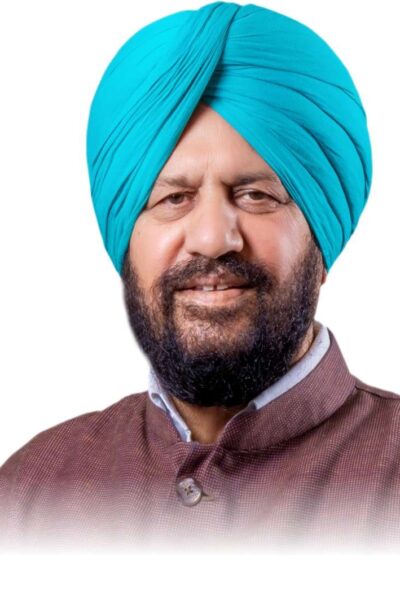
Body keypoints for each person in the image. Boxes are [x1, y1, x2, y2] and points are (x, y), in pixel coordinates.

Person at [1, 0, 399, 551]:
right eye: (174, 198)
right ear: (126, 242)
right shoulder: (30, 494)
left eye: (256, 195)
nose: (212, 238)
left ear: (323, 237)